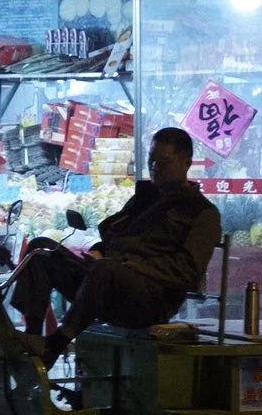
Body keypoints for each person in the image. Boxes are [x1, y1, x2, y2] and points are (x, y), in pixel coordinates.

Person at [12, 125, 223, 364]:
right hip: (107, 281)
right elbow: (116, 236)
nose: (155, 167)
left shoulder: (202, 213)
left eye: (163, 161)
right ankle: (32, 336)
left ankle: (55, 345)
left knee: (105, 270)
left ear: (186, 162)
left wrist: (127, 265)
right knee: (41, 249)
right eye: (151, 160)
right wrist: (99, 250)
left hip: (150, 299)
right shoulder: (144, 199)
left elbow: (187, 271)